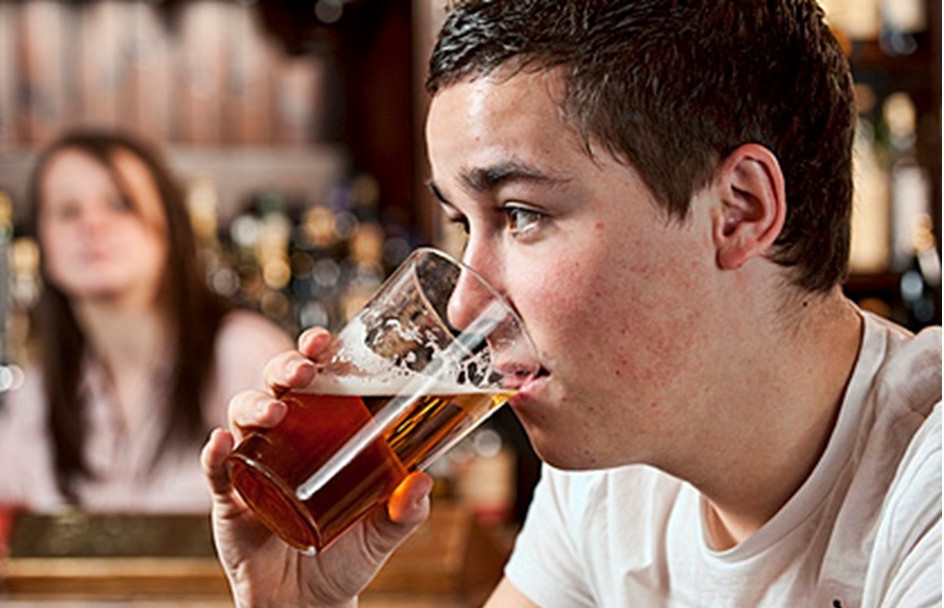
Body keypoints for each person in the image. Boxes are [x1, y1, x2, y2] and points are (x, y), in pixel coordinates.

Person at [201, 1, 942, 606]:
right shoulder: (617, 470)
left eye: (521, 214)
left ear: (739, 211)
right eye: (464, 224)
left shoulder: (925, 492)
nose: (462, 305)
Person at [0, 130, 293, 599]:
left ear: (169, 224)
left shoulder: (242, 352)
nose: (92, 223)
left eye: (119, 203)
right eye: (67, 211)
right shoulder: (45, 388)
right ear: (43, 246)